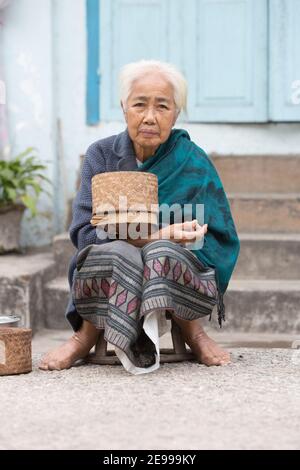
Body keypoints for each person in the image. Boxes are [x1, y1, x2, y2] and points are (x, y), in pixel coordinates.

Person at [39, 60, 240, 374]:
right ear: (124, 108)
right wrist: (158, 234)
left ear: (176, 113)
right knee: (120, 251)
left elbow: (211, 235)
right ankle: (84, 337)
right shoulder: (102, 156)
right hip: (113, 260)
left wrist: (177, 236)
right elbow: (83, 234)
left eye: (162, 106)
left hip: (174, 264)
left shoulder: (192, 162)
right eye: (140, 104)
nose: (150, 117)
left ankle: (194, 332)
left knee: (164, 252)